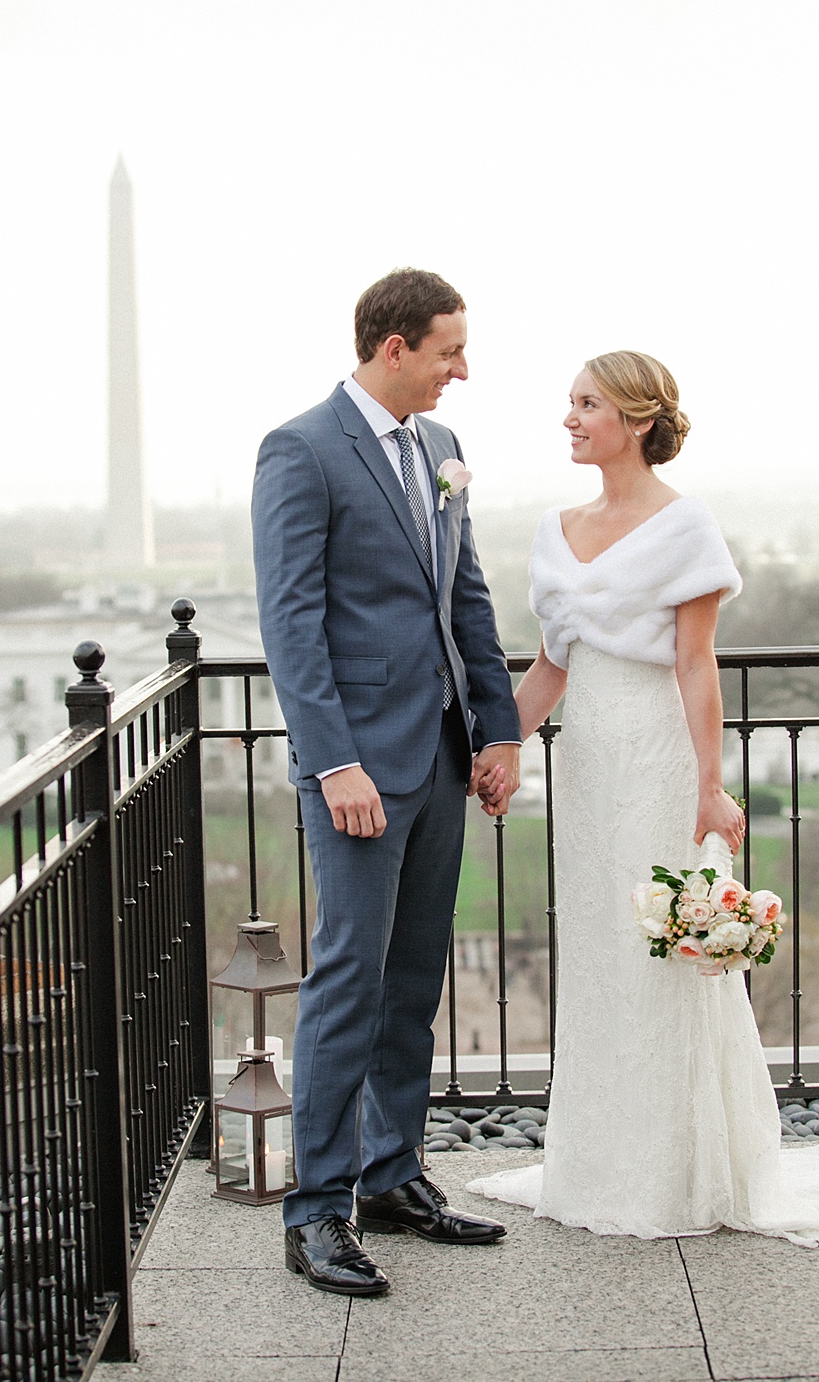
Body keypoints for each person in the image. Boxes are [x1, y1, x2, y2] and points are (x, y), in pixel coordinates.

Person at [468, 350, 819, 1248]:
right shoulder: (553, 528)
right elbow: (553, 663)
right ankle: (596, 1164)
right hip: (592, 767)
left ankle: (674, 1173)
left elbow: (695, 665)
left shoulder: (686, 529)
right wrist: (503, 747)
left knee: (661, 955)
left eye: (588, 404)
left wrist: (711, 787)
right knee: (605, 952)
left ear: (638, 420)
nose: (569, 419)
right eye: (568, 403)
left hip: (656, 762)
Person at [252, 268, 522, 1297]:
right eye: (450, 349)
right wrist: (334, 762)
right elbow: (292, 624)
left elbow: (468, 597)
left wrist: (495, 733)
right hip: (357, 769)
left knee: (412, 982)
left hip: (441, 758)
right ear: (393, 346)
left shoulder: (444, 451)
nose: (464, 368)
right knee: (346, 984)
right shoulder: (302, 449)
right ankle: (315, 1211)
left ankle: (390, 1175)